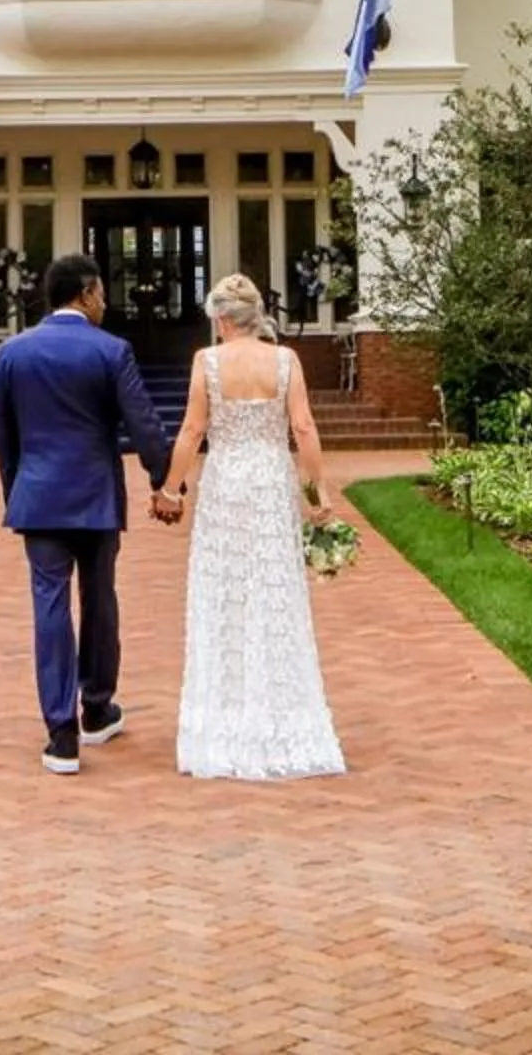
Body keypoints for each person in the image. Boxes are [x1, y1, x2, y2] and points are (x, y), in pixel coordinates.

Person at [0, 252, 175, 775]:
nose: (105, 304)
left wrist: (17, 493)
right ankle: (96, 708)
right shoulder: (111, 350)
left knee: (49, 605)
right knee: (100, 600)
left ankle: (61, 733)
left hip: (39, 497)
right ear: (86, 294)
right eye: (102, 295)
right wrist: (163, 481)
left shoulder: (11, 353)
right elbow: (143, 424)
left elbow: (4, 436)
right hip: (96, 497)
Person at [154, 273, 346, 781]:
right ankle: (281, 716)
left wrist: (171, 488)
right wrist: (318, 494)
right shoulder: (285, 361)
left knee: (225, 590)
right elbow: (303, 427)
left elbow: (193, 429)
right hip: (269, 482)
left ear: (221, 319)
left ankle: (226, 718)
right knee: (273, 586)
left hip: (225, 484)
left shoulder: (207, 361)